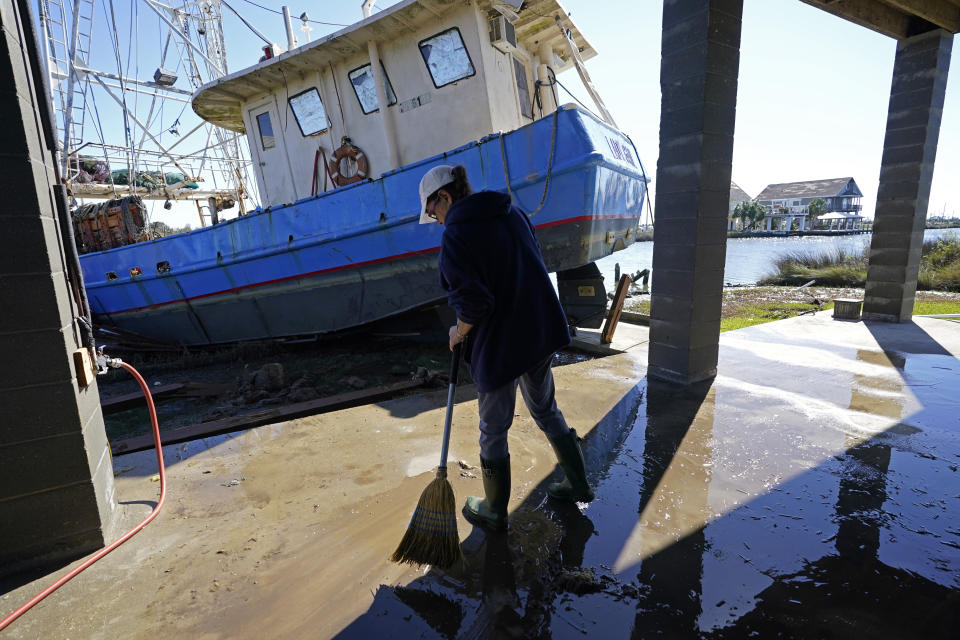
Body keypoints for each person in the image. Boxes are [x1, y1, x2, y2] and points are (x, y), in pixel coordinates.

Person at [417, 164, 595, 532]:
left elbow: (473, 304)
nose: (435, 220)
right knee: (545, 408)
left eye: (433, 210)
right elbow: (532, 263)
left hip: (502, 343)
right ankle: (578, 483)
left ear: (445, 196)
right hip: (541, 328)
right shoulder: (511, 212)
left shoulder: (456, 235)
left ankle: (495, 510)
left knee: (493, 428)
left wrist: (458, 331)